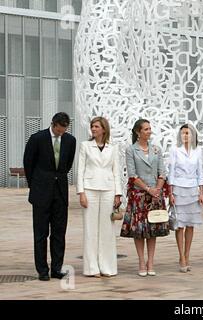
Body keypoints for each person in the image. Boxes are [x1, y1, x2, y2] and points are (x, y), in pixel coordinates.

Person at [23, 112, 76, 281]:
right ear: (53, 124)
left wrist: (57, 178)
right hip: (41, 191)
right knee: (41, 233)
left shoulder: (70, 140)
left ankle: (56, 268)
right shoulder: (37, 138)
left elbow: (67, 164)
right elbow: (28, 163)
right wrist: (36, 184)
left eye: (64, 130)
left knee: (59, 232)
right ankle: (42, 270)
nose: (61, 133)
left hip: (60, 191)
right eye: (59, 129)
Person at [77, 117, 122, 277]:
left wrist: (118, 193)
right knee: (90, 229)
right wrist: (81, 192)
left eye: (96, 126)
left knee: (107, 229)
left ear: (104, 129)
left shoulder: (113, 148)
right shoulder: (85, 146)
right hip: (90, 189)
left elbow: (116, 171)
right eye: (92, 126)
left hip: (109, 189)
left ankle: (107, 266)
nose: (93, 129)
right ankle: (92, 268)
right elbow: (80, 170)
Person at [120, 119, 166, 276]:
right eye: (146, 129)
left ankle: (151, 262)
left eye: (150, 129)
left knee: (153, 229)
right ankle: (141, 261)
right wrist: (147, 189)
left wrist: (157, 189)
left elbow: (162, 172)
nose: (149, 131)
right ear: (138, 132)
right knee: (139, 231)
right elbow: (132, 175)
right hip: (139, 195)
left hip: (155, 195)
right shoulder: (131, 150)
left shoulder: (156, 149)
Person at [168, 124, 203, 273]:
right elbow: (171, 172)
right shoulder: (174, 150)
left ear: (193, 135)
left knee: (190, 224)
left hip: (192, 189)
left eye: (188, 133)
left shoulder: (198, 151)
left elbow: (200, 172)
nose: (185, 136)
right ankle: (181, 255)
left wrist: (201, 192)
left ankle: (187, 254)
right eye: (183, 133)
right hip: (178, 188)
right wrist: (170, 192)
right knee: (180, 224)